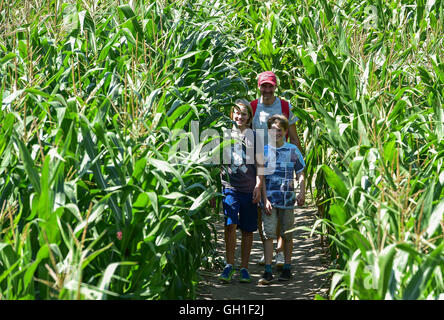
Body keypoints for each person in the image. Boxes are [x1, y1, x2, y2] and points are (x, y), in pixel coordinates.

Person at [251, 71, 305, 267]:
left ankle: (280, 252)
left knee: (282, 208)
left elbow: (293, 134)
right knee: (261, 207)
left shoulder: (284, 106)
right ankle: (267, 248)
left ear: (275, 87)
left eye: (270, 86)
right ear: (259, 87)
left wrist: (298, 160)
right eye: (263, 86)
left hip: (282, 163)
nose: (267, 90)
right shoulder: (253, 107)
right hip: (259, 163)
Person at [218, 99, 265, 283]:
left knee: (247, 229)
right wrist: (215, 190)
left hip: (249, 189)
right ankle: (229, 265)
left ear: (249, 117)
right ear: (232, 114)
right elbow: (218, 163)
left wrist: (258, 187)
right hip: (229, 187)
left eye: (244, 114)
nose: (240, 116)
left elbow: (261, 165)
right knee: (230, 225)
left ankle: (244, 268)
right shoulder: (224, 135)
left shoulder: (255, 136)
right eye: (236, 113)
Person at [258, 114, 306, 284]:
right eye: (273, 130)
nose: (276, 133)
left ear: (285, 131)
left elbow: (300, 173)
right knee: (269, 233)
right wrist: (265, 199)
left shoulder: (292, 150)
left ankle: (287, 267)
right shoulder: (264, 151)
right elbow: (261, 177)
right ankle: (268, 270)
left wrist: (302, 191)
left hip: (287, 200)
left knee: (287, 234)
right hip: (270, 200)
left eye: (279, 131)